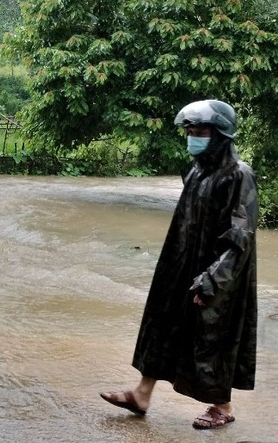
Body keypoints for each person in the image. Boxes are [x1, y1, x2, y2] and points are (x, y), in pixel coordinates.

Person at [100, 99, 258, 429]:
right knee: (162, 327)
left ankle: (223, 407)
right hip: (181, 266)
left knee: (212, 337)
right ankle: (142, 394)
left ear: (220, 135)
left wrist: (213, 281)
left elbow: (240, 235)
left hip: (217, 271)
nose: (192, 136)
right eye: (189, 131)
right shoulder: (199, 172)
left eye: (199, 131)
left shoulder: (238, 176)